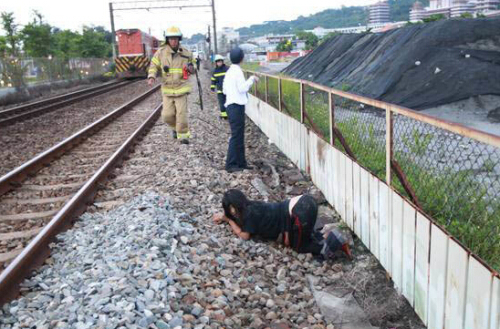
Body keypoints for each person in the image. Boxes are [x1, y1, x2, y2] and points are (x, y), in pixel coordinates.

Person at [213, 189, 353, 259]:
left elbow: (244, 236)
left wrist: (229, 220)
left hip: (299, 211)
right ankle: (331, 237)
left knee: (301, 247)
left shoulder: (249, 215)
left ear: (232, 208)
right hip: (303, 202)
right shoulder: (253, 207)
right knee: (305, 236)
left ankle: (336, 243)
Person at [147, 26, 195, 145]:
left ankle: (183, 136)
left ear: (179, 39)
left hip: (181, 88)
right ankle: (175, 128)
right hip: (167, 89)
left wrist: (191, 68)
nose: (173, 41)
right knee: (166, 116)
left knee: (181, 114)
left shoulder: (186, 53)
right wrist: (152, 76)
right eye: (171, 39)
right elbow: (153, 65)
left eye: (175, 38)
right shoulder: (161, 53)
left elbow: (193, 67)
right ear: (167, 40)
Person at [222, 47, 258, 173]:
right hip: (236, 106)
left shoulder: (229, 71)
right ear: (241, 58)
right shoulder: (237, 71)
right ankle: (231, 164)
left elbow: (225, 90)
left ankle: (241, 163)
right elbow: (242, 88)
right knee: (236, 136)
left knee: (239, 135)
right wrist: (252, 79)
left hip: (231, 106)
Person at [210, 54, 229, 119]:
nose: (219, 63)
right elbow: (213, 80)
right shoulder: (215, 71)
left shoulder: (227, 69)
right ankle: (224, 116)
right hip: (220, 90)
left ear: (222, 61)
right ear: (216, 63)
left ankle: (229, 114)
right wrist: (212, 87)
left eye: (220, 61)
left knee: (228, 102)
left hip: (228, 90)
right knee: (221, 104)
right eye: (217, 62)